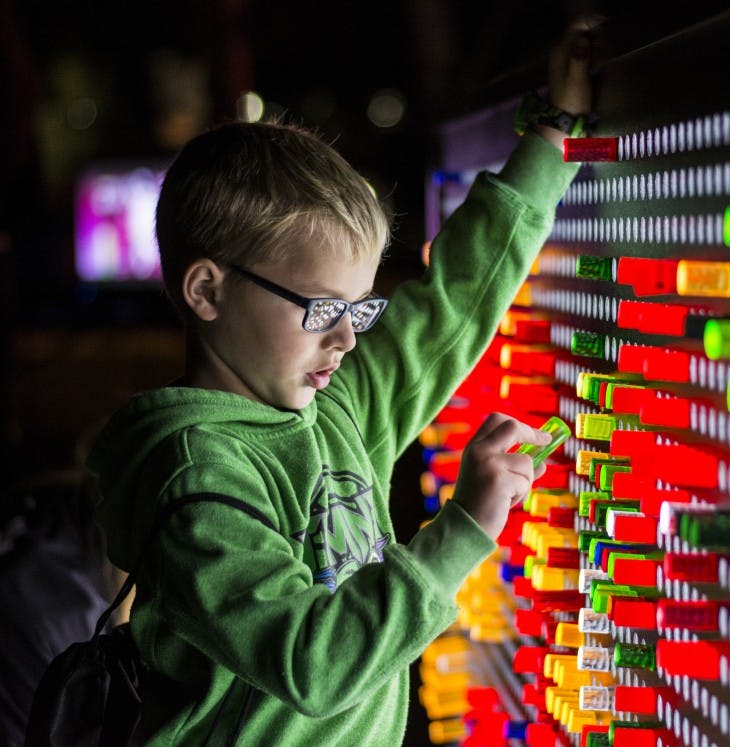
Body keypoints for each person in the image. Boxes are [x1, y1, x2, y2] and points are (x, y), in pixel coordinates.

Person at [82, 20, 593, 746]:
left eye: (357, 308)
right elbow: (314, 664)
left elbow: (451, 302)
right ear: (207, 290)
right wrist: (464, 529)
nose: (347, 335)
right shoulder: (195, 477)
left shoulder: (336, 404)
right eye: (321, 307)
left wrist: (553, 137)